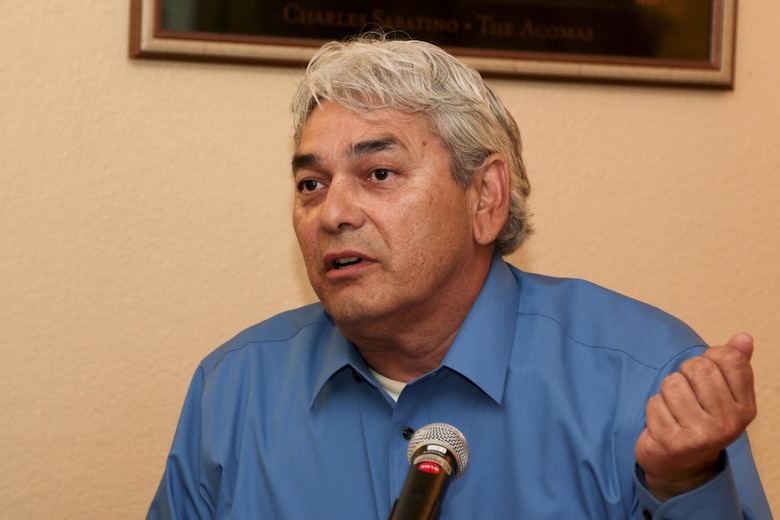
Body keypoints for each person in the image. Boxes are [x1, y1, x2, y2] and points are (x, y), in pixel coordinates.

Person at [147, 32, 772, 519]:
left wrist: (684, 483)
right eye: (312, 184)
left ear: (485, 197)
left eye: (379, 174)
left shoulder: (643, 381)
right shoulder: (233, 392)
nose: (332, 213)